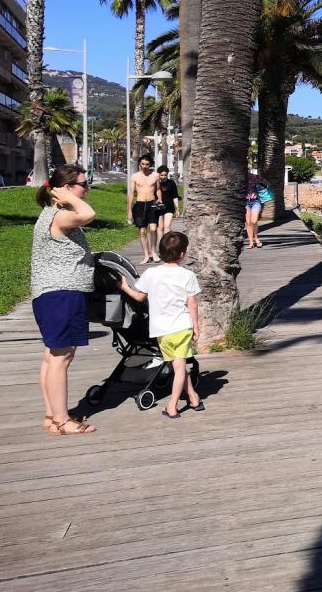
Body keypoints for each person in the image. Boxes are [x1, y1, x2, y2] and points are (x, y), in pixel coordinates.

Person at [32, 164, 99, 436]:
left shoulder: (50, 215)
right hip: (62, 293)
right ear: (67, 188)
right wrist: (69, 198)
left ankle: (52, 415)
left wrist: (68, 197)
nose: (87, 189)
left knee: (52, 355)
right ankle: (62, 420)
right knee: (62, 356)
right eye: (83, 184)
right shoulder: (59, 216)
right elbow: (89, 214)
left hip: (51, 294)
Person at [117, 232, 203, 418]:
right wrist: (196, 326)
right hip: (181, 327)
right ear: (182, 254)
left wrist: (124, 287)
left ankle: (191, 399)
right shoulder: (187, 275)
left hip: (161, 330)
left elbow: (139, 296)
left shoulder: (151, 273)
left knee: (177, 365)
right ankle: (175, 405)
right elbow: (192, 303)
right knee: (179, 366)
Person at [127, 154, 161, 264]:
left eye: (147, 164)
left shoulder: (155, 175)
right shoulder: (135, 177)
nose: (144, 166)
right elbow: (131, 194)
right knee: (142, 231)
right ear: (140, 164)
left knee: (153, 229)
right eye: (142, 164)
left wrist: (160, 200)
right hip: (140, 205)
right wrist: (129, 211)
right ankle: (146, 255)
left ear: (150, 164)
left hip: (152, 204)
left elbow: (158, 190)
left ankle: (153, 252)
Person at [155, 165, 180, 241]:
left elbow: (175, 196)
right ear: (158, 174)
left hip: (169, 207)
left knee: (167, 226)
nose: (163, 177)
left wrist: (177, 209)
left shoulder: (171, 183)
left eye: (165, 175)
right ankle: (160, 245)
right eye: (161, 175)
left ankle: (167, 244)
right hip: (158, 207)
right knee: (160, 227)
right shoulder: (156, 184)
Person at [245, 169, 267, 249]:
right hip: (245, 202)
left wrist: (259, 189)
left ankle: (256, 238)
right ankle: (251, 242)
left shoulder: (255, 177)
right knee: (248, 222)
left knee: (254, 221)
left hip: (256, 201)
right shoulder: (240, 178)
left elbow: (266, 184)